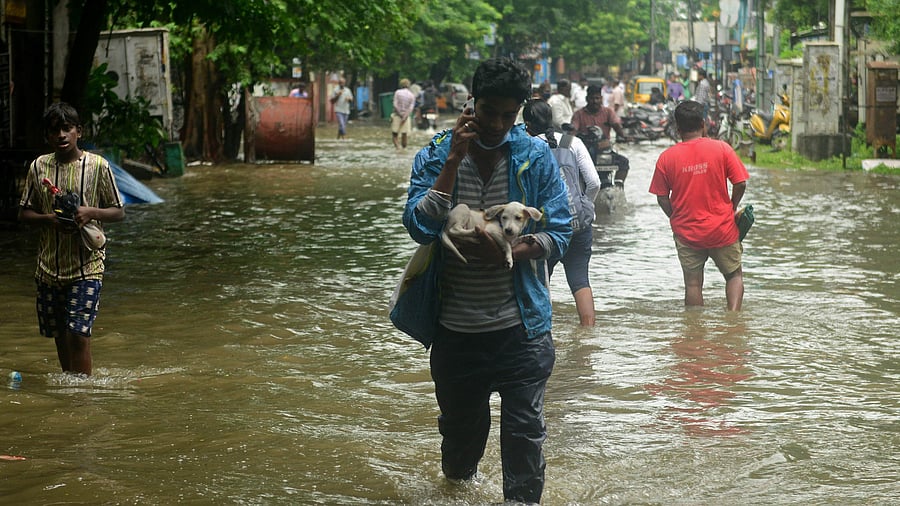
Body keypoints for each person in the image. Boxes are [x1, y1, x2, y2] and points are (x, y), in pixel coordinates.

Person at [402, 57, 572, 504]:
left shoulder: (534, 157)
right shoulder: (437, 153)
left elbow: (560, 231)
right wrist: (453, 162)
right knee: (460, 447)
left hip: (523, 329)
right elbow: (418, 227)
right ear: (471, 104)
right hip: (456, 332)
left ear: (520, 110)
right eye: (488, 111)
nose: (497, 123)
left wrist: (512, 251)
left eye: (507, 114)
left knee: (525, 438)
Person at [18, 102, 125, 376]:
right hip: (48, 266)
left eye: (67, 129)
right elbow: (24, 213)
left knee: (78, 334)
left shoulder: (98, 166)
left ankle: (82, 392)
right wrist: (49, 220)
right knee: (60, 335)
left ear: (79, 131)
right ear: (47, 136)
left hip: (87, 265)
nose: (61, 135)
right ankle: (70, 385)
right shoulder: (38, 167)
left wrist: (90, 212)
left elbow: (118, 212)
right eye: (55, 131)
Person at [648, 100, 748, 311]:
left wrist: (675, 216)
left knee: (693, 284)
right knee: (733, 275)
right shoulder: (722, 149)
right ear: (704, 124)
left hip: (687, 232)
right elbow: (740, 183)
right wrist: (731, 206)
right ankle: (733, 320)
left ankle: (694, 333)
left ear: (677, 128)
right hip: (722, 228)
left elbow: (661, 197)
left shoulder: (666, 158)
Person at [523, 99, 599, 326]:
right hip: (579, 225)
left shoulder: (527, 146)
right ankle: (588, 333)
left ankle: (542, 332)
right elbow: (594, 182)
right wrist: (584, 206)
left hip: (546, 230)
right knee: (580, 281)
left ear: (527, 123)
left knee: (539, 280)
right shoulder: (571, 142)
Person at [391, 78, 417, 149]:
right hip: (406, 117)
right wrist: (405, 116)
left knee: (394, 134)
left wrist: (400, 114)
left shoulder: (397, 92)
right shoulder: (411, 95)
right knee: (404, 134)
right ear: (408, 85)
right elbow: (411, 108)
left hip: (397, 116)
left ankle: (398, 149)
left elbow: (395, 105)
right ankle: (404, 149)